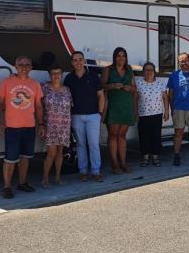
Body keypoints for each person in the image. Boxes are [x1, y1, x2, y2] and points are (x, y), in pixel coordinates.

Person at [0, 56, 44, 199]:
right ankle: (7, 186)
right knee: (10, 159)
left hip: (30, 126)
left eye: (27, 65)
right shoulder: (6, 82)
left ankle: (22, 183)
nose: (24, 67)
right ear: (15, 66)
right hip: (12, 127)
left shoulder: (34, 84)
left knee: (25, 157)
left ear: (31, 68)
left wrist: (41, 124)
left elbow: (39, 106)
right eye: (21, 64)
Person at [64, 51, 105, 182]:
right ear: (72, 63)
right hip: (76, 116)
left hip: (93, 115)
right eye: (75, 60)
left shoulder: (93, 76)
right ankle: (83, 171)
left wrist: (99, 113)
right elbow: (66, 98)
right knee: (81, 145)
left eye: (80, 59)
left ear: (84, 61)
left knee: (93, 144)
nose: (78, 62)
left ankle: (96, 171)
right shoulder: (69, 78)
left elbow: (101, 96)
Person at [102, 47, 137, 174]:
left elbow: (134, 88)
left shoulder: (129, 70)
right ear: (114, 57)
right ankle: (114, 164)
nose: (121, 58)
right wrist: (112, 86)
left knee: (122, 136)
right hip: (113, 106)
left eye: (123, 56)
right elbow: (102, 86)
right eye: (118, 55)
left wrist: (130, 88)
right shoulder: (108, 70)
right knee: (112, 135)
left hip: (126, 106)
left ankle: (123, 162)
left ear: (126, 58)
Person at [167, 52, 189, 166]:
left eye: (185, 60)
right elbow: (170, 94)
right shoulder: (174, 75)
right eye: (181, 61)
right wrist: (172, 109)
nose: (184, 63)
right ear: (178, 63)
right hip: (178, 109)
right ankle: (177, 155)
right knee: (178, 133)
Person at [40, 66, 72, 188]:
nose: (56, 76)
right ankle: (45, 178)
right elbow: (39, 105)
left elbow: (69, 107)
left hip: (64, 125)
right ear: (49, 75)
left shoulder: (67, 90)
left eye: (58, 73)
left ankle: (58, 177)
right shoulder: (44, 88)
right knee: (51, 153)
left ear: (62, 74)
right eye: (53, 73)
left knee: (60, 152)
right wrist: (41, 124)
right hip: (50, 125)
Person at [136, 62, 169, 167]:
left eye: (151, 70)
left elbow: (165, 98)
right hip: (143, 114)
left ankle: (155, 156)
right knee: (143, 136)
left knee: (156, 136)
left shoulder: (160, 83)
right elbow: (135, 99)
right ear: (143, 72)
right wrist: (135, 112)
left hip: (157, 113)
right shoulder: (138, 83)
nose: (149, 72)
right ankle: (145, 157)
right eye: (147, 70)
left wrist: (167, 112)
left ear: (154, 72)